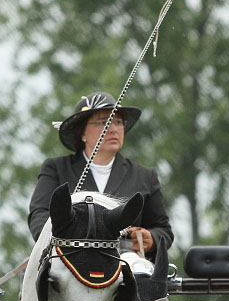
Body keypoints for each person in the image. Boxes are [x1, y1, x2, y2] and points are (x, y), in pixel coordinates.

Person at [27, 92, 173, 260]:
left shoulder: (145, 176)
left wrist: (152, 238)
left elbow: (163, 230)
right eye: (104, 122)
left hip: (127, 268)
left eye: (118, 122)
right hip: (69, 261)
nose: (113, 129)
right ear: (82, 133)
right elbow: (40, 215)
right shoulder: (56, 169)